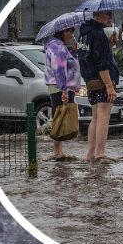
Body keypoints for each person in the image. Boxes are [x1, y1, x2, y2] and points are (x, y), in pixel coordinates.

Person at [78, 10, 120, 162]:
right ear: (97, 16)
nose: (110, 18)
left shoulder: (84, 33)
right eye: (107, 15)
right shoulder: (98, 34)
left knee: (95, 117)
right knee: (103, 117)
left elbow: (89, 55)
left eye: (111, 15)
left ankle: (90, 154)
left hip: (90, 81)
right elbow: (102, 63)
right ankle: (100, 154)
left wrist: (109, 44)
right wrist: (109, 85)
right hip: (102, 80)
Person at [43, 27, 81, 159]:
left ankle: (58, 151)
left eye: (72, 32)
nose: (71, 35)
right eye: (69, 32)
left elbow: (68, 65)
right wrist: (64, 90)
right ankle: (57, 151)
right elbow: (59, 70)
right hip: (59, 87)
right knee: (59, 116)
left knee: (60, 115)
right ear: (62, 32)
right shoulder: (57, 48)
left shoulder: (60, 47)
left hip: (61, 87)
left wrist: (75, 52)